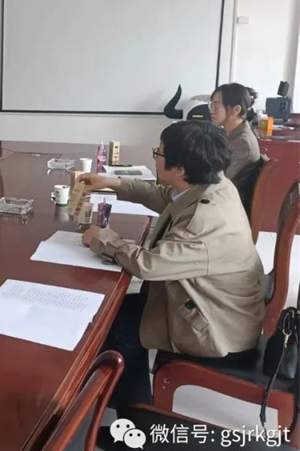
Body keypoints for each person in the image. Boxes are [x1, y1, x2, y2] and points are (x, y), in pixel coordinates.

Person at [79, 120, 264, 406]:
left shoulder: (202, 223)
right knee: (112, 311)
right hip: (216, 306)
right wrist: (113, 183)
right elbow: (167, 197)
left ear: (180, 169)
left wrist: (102, 238)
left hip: (217, 330)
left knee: (113, 327)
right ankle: (125, 403)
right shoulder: (213, 183)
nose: (155, 157)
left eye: (159, 152)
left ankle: (135, 415)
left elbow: (148, 266)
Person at [208, 83, 262, 209]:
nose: (211, 110)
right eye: (211, 105)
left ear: (236, 110)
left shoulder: (243, 143)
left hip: (226, 205)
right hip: (221, 197)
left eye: (216, 105)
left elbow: (221, 180)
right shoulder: (230, 134)